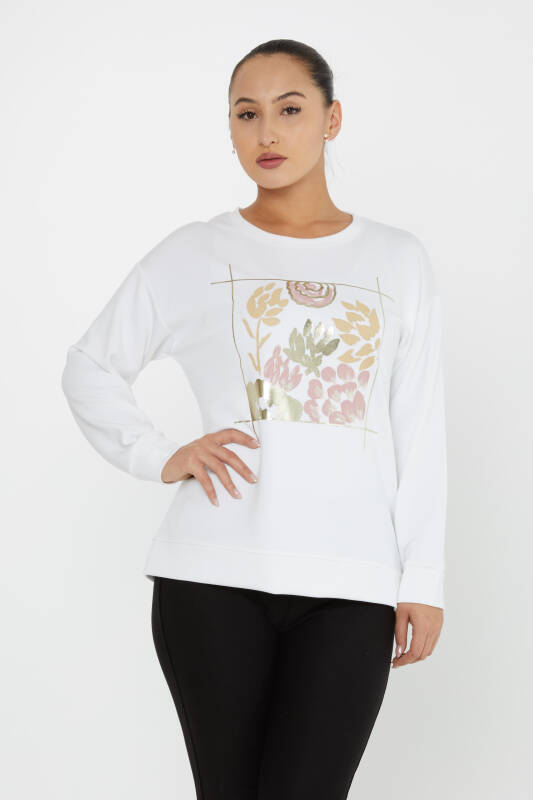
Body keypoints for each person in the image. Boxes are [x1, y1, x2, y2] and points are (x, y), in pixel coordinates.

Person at [61, 38, 447, 800]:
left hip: (350, 584)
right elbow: (89, 366)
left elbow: (419, 425)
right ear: (230, 128)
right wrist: (161, 454)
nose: (266, 132)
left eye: (289, 110)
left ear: (332, 119)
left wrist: (423, 578)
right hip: (212, 579)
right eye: (246, 114)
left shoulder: (397, 260)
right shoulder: (195, 252)